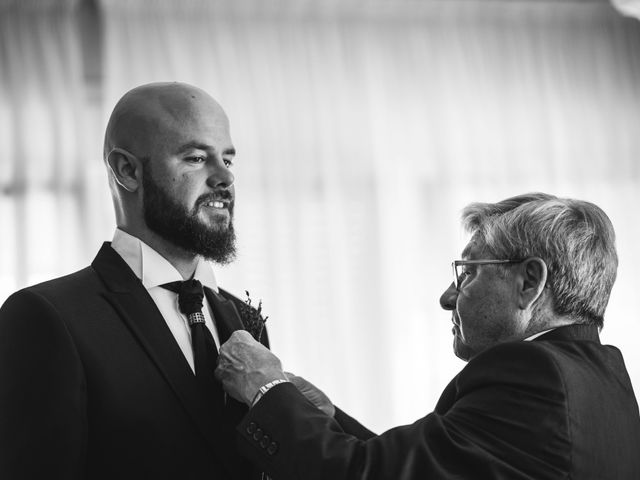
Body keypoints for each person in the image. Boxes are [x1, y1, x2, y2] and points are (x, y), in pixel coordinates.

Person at [216, 193, 640, 480]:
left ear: (529, 282)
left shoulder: (536, 375)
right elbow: (425, 468)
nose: (447, 296)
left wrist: (266, 389)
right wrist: (329, 419)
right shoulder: (604, 379)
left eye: (468, 272)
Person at [0, 82, 268, 479]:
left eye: (227, 160)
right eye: (196, 158)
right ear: (127, 170)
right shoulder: (46, 317)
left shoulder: (246, 320)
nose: (224, 178)